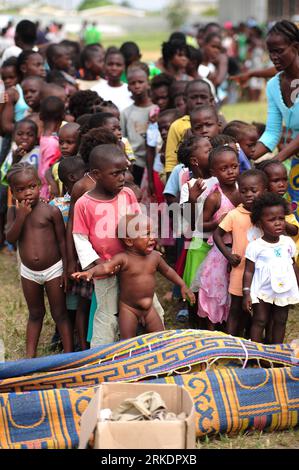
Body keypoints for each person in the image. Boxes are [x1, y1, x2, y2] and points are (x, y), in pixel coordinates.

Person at [73, 214, 195, 339]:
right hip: (128, 310)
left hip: (149, 309)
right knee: (128, 343)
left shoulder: (154, 257)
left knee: (160, 339)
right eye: (147, 234)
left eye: (153, 232)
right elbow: (106, 267)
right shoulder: (123, 259)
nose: (152, 237)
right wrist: (91, 272)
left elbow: (168, 271)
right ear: (129, 241)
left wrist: (182, 285)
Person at [5, 163, 73, 357]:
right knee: (35, 314)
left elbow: (62, 241)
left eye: (32, 187)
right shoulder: (13, 212)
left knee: (59, 313)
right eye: (21, 189)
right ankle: (30, 356)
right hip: (29, 272)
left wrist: (67, 269)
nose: (27, 193)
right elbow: (10, 238)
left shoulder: (50, 211)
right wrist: (21, 216)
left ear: (40, 185)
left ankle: (68, 355)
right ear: (13, 191)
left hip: (54, 269)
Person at [252, 21, 299, 221]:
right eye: (270, 52)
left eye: (279, 51)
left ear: (295, 47)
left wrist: (277, 159)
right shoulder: (273, 85)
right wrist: (247, 155)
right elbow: (272, 132)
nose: (273, 57)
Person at [213, 169, 268, 337]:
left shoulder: (267, 214)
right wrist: (228, 255)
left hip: (263, 272)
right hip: (241, 270)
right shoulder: (234, 214)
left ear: (264, 191)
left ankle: (256, 346)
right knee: (236, 309)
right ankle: (231, 346)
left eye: (253, 190)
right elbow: (217, 235)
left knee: (260, 312)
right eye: (243, 191)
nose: (248, 195)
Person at [243, 192, 299, 344]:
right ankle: (256, 353)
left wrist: (297, 286)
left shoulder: (288, 242)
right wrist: (247, 293)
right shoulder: (255, 246)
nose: (278, 223)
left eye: (281, 218)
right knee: (260, 320)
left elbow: (293, 265)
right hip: (262, 289)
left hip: (284, 287)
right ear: (260, 223)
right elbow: (248, 271)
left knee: (281, 320)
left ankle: (277, 353)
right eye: (271, 219)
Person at [195, 145, 240, 330]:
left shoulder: (243, 189)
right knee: (215, 290)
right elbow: (199, 225)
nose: (230, 172)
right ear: (214, 172)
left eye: (234, 166)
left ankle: (234, 329)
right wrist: (217, 223)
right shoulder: (215, 197)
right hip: (221, 251)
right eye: (224, 169)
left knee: (235, 291)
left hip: (241, 248)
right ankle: (212, 331)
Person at [49, 156, 89, 351]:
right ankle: (66, 339)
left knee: (81, 303)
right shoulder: (57, 207)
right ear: (74, 178)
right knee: (74, 304)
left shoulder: (90, 200)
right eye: (86, 175)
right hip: (71, 262)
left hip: (84, 261)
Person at [165, 79, 215, 176]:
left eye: (203, 97)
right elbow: (171, 162)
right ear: (185, 100)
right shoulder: (177, 126)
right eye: (194, 97)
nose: (199, 101)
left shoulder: (216, 121)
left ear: (211, 100)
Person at [120, 66, 155, 185]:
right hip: (135, 164)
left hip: (154, 163)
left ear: (148, 83)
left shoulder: (155, 109)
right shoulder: (126, 113)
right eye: (133, 83)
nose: (137, 85)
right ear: (128, 87)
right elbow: (123, 139)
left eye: (140, 82)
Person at [38, 96, 65, 200]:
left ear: (40, 116)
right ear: (63, 115)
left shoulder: (44, 136)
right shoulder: (53, 143)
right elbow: (46, 172)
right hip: (50, 192)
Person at [46, 122, 81, 197]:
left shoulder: (82, 163)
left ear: (80, 142)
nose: (64, 146)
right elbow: (48, 171)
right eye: (61, 142)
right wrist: (52, 184)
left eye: (69, 142)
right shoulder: (62, 159)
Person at [1, 119, 39, 185]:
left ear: (36, 139)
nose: (25, 137)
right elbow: (6, 179)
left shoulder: (39, 152)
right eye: (20, 134)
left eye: (30, 135)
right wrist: (15, 160)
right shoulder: (12, 154)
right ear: (13, 137)